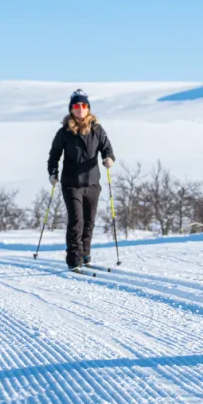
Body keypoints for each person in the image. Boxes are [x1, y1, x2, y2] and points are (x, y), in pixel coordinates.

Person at [47, 89, 116, 271]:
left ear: (88, 108)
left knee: (89, 222)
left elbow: (107, 149)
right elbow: (54, 155)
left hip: (93, 183)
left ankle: (85, 254)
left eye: (84, 106)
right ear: (71, 109)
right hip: (71, 184)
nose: (80, 109)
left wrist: (109, 159)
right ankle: (74, 259)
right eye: (77, 106)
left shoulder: (97, 129)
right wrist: (53, 173)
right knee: (77, 220)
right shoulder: (64, 132)